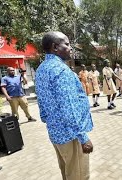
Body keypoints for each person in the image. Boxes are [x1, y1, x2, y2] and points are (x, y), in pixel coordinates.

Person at [35, 31, 93, 180]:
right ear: (55, 47)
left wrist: (51, 122)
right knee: (79, 175)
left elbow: (42, 104)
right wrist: (83, 137)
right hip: (71, 134)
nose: (70, 48)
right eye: (66, 44)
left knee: (67, 171)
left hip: (56, 132)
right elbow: (69, 107)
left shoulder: (42, 68)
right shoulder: (61, 70)